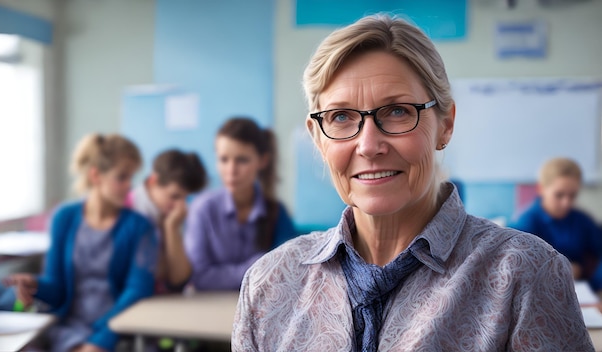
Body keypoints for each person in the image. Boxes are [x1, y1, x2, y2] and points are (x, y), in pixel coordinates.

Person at [232, 15, 593, 351]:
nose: (369, 146)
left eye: (398, 111)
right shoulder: (268, 284)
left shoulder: (524, 274)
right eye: (340, 117)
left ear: (445, 124)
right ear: (318, 138)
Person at [8, 133, 157, 352]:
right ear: (96, 175)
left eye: (131, 178)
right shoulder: (64, 217)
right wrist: (35, 284)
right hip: (65, 326)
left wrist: (102, 337)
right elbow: (57, 288)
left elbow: (137, 291)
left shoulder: (140, 227)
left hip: (114, 328)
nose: (129, 186)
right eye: (121, 177)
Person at [185, 117, 298, 291]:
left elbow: (288, 271)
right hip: (208, 307)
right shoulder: (202, 209)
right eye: (224, 159)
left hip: (262, 310)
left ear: (262, 161)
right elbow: (199, 276)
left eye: (242, 160)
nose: (231, 171)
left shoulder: (276, 211)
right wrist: (257, 266)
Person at [511, 157, 602, 291]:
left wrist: (594, 285)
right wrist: (558, 270)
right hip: (539, 294)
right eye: (559, 195)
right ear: (541, 189)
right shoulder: (525, 223)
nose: (566, 203)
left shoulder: (582, 221)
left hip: (579, 293)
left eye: (572, 196)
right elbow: (516, 267)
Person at [128, 149, 207, 293]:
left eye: (186, 198)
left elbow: (179, 280)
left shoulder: (172, 216)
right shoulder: (128, 209)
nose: (181, 207)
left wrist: (171, 228)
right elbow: (152, 274)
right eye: (175, 196)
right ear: (153, 181)